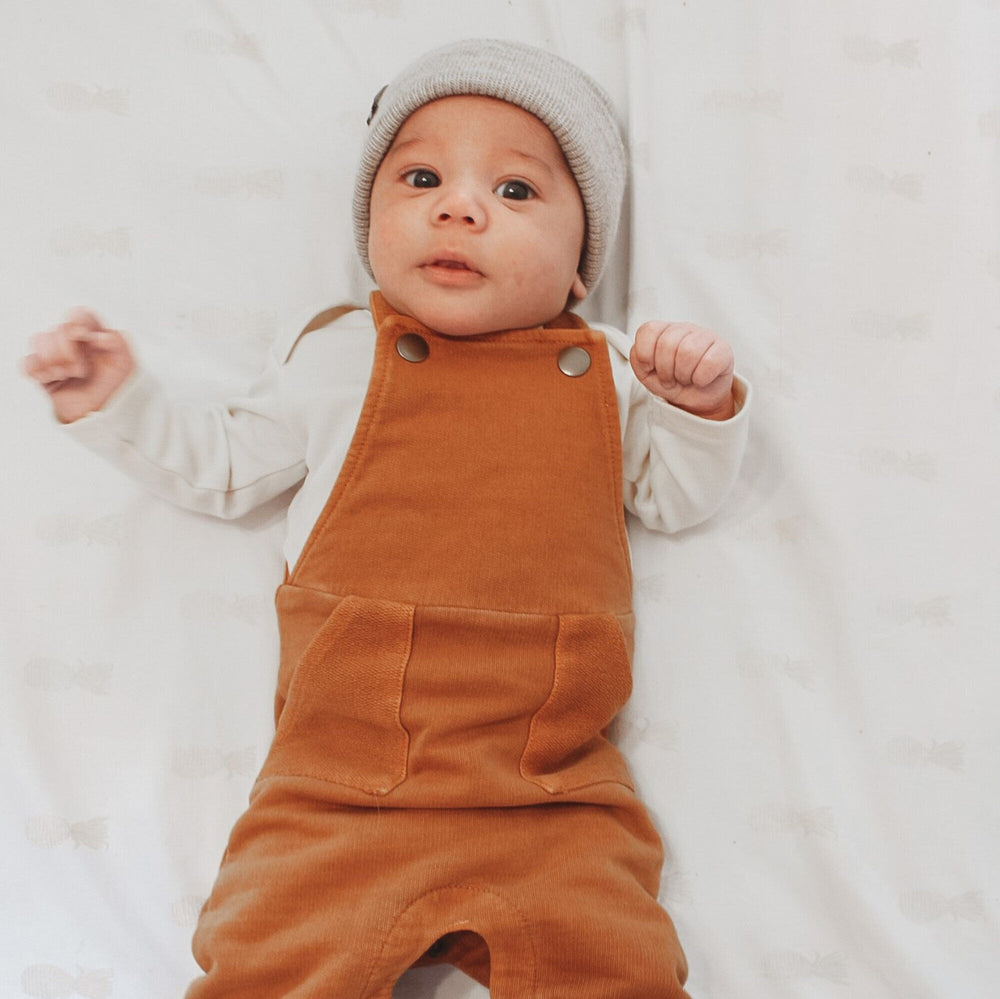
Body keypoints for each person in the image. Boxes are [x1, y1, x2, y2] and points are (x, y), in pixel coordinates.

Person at [24, 38, 749, 999]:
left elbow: (675, 496)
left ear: (582, 269)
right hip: (337, 789)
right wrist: (119, 402)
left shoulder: (611, 371)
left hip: (551, 790)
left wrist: (697, 410)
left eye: (518, 192)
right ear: (371, 225)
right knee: (268, 961)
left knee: (615, 963)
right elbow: (229, 465)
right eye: (420, 177)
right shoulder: (336, 354)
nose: (460, 206)